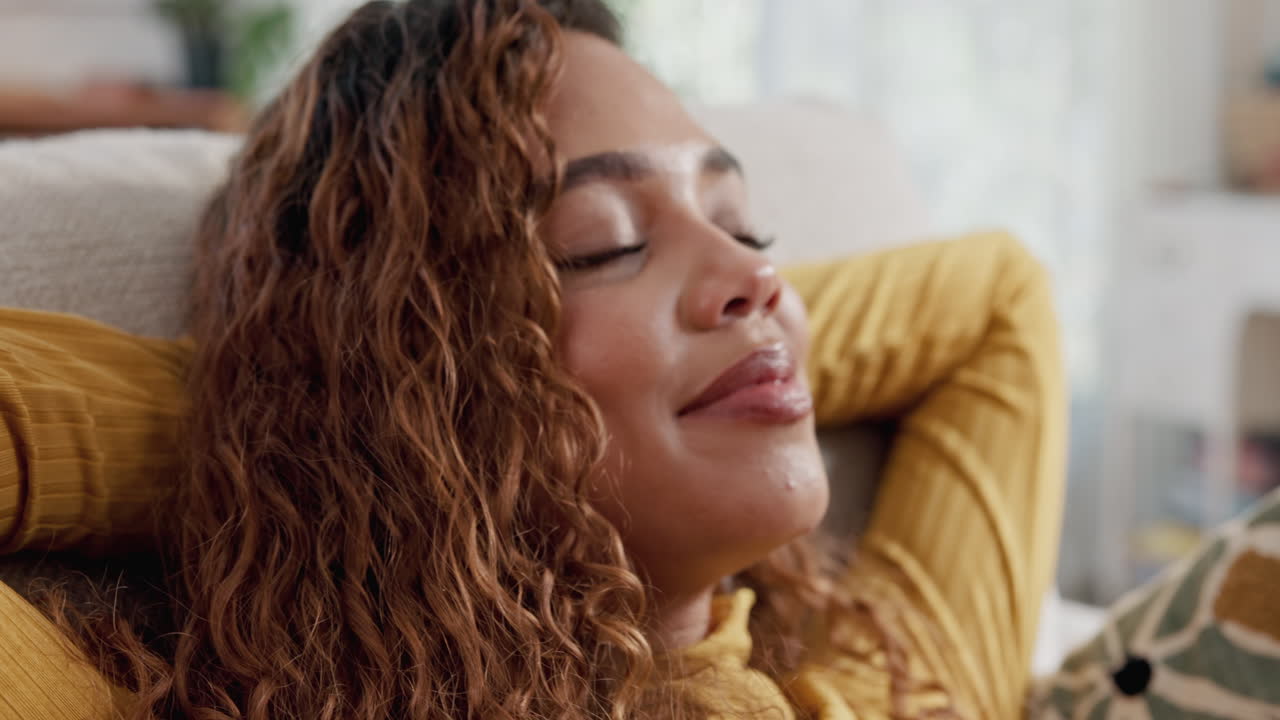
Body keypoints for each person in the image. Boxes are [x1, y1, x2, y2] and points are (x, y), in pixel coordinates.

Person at [0, 0, 1065, 718]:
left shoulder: (894, 689)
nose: (758, 281)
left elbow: (995, 302)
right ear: (429, 372)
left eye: (743, 225)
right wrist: (293, 423)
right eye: (603, 243)